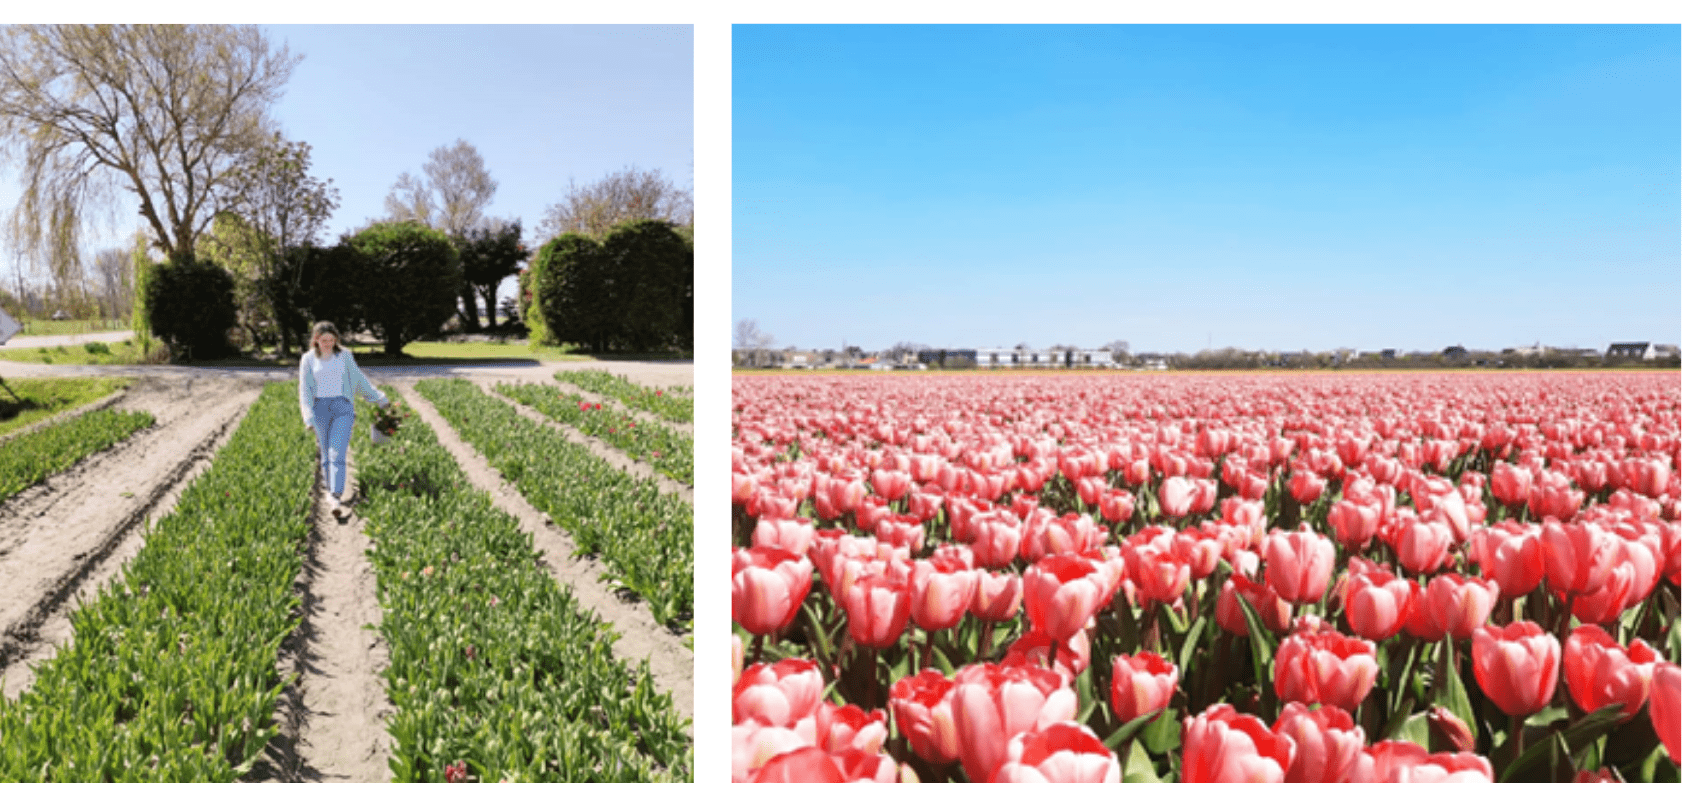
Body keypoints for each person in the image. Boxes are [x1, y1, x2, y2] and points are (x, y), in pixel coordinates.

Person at [298, 321, 390, 520]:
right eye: (324, 340)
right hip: (320, 409)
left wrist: (379, 398)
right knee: (325, 454)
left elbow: (358, 379)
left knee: (337, 452)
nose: (328, 344)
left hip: (343, 408)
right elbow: (304, 390)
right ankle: (332, 491)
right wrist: (308, 417)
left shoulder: (345, 356)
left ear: (336, 339)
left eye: (331, 340)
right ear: (316, 340)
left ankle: (335, 495)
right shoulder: (307, 359)